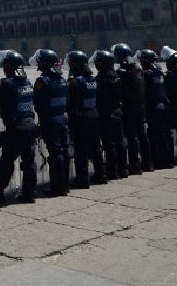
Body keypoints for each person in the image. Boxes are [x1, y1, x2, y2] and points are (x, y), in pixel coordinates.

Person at [0, 51, 38, 203]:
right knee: (29, 161)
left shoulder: (6, 83)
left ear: (8, 67)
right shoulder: (27, 82)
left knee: (6, 162)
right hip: (30, 125)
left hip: (16, 128)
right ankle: (29, 193)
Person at [33, 49, 70, 197]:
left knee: (55, 153)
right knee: (64, 151)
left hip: (50, 120)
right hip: (62, 118)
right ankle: (64, 184)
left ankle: (57, 187)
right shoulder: (62, 79)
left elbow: (38, 103)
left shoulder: (43, 81)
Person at [66, 50, 106, 187]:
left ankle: (82, 179)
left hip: (81, 117)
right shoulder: (92, 79)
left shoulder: (75, 82)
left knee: (80, 148)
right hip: (94, 115)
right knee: (95, 146)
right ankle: (101, 174)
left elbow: (70, 101)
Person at [113, 43, 150, 174]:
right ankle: (147, 162)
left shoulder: (126, 67)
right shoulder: (136, 64)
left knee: (132, 136)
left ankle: (135, 164)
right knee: (142, 134)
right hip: (140, 104)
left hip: (130, 105)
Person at [94, 50, 127, 179]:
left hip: (105, 113)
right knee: (120, 142)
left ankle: (112, 171)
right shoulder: (118, 78)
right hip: (117, 111)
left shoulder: (99, 80)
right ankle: (123, 169)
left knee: (109, 144)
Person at [138, 49, 172, 169]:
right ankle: (168, 160)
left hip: (153, 107)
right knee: (163, 135)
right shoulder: (159, 71)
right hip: (163, 106)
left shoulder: (146, 74)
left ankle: (157, 161)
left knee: (153, 136)